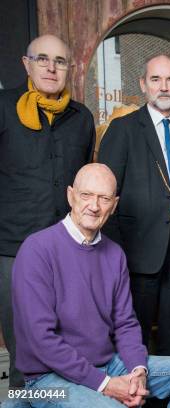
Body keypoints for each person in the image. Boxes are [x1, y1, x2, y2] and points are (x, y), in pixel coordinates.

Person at [11, 163, 170, 408]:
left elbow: (125, 323)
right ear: (70, 196)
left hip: (107, 364)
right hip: (45, 381)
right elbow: (41, 340)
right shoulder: (37, 250)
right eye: (86, 195)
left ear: (114, 205)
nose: (94, 206)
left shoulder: (115, 254)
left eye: (104, 198)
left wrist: (138, 370)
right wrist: (105, 384)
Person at [0, 34, 95, 389]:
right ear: (27, 64)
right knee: (25, 346)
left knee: (71, 339)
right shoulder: (4, 107)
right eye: (42, 59)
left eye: (60, 61)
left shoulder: (81, 117)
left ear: (69, 69)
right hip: (12, 248)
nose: (51, 68)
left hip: (67, 249)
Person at [97, 54, 170, 356]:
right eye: (156, 79)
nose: (164, 87)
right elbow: (105, 197)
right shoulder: (123, 129)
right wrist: (114, 253)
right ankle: (136, 399)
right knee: (136, 333)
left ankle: (169, 398)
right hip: (137, 249)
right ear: (143, 85)